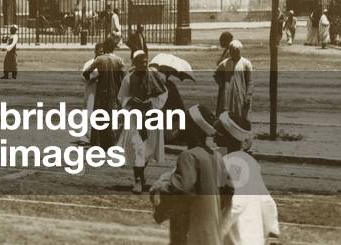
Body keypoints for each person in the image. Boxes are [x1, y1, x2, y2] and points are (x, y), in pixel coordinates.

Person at [150, 104, 233, 245]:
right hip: (211, 232)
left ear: (193, 128)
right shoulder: (216, 156)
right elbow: (229, 190)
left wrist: (159, 187)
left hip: (189, 233)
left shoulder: (188, 156)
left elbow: (182, 189)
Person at [215, 113, 279, 245]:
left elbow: (237, 202)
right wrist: (273, 231)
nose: (214, 137)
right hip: (254, 236)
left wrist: (218, 234)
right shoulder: (251, 162)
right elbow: (267, 200)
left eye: (218, 133)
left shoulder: (229, 162)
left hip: (236, 237)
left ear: (228, 137)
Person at [118, 49, 168, 193]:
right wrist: (131, 101)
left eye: (146, 62)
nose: (144, 64)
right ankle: (138, 180)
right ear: (135, 63)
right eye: (141, 62)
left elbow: (163, 93)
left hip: (151, 116)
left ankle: (141, 173)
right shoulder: (129, 78)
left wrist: (151, 103)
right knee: (136, 147)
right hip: (135, 118)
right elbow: (122, 96)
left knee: (148, 149)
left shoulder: (154, 77)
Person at [84, 37, 125, 149]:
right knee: (112, 115)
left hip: (102, 89)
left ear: (105, 47)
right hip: (114, 90)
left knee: (99, 114)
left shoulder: (100, 60)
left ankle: (97, 141)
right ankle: (111, 141)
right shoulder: (119, 60)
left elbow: (86, 73)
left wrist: (93, 78)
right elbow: (124, 77)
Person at [215, 40, 253, 120]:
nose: (234, 53)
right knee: (225, 114)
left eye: (236, 51)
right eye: (232, 51)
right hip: (227, 94)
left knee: (240, 115)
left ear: (239, 51)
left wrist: (248, 95)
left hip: (241, 94)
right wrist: (221, 84)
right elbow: (216, 75)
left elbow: (250, 81)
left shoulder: (246, 63)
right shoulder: (224, 64)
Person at [80, 42, 104, 143]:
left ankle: (99, 137)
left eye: (104, 52)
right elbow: (84, 77)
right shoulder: (89, 64)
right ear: (96, 51)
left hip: (102, 92)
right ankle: (87, 136)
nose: (102, 53)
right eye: (100, 51)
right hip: (91, 92)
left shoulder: (105, 63)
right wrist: (95, 77)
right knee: (89, 113)